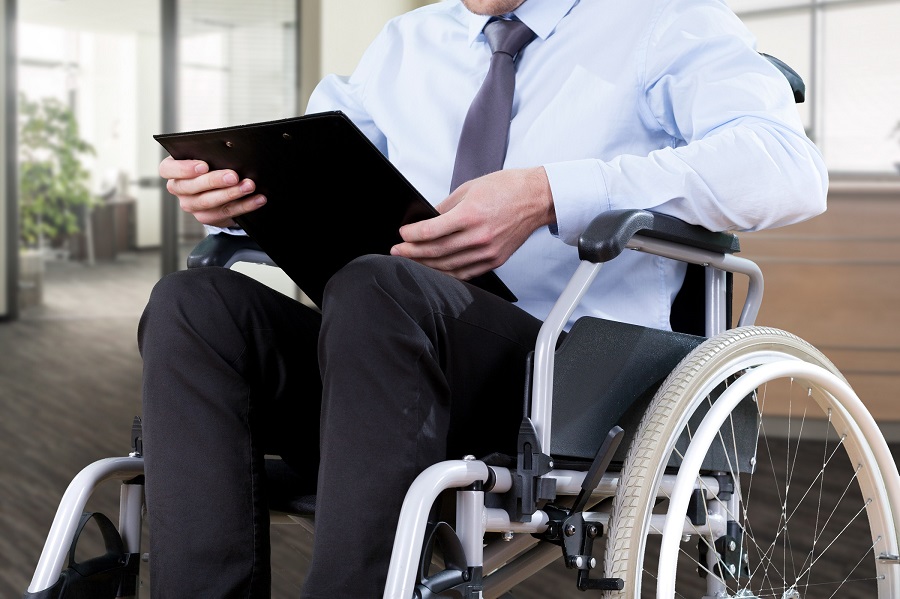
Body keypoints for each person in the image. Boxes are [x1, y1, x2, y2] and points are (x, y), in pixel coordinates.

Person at [141, 0, 828, 596]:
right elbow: (321, 171)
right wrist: (238, 195)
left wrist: (550, 193)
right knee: (192, 304)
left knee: (379, 284)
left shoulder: (662, 21)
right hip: (378, 369)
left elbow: (787, 169)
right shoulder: (406, 44)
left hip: (567, 375)